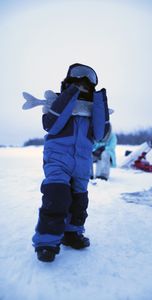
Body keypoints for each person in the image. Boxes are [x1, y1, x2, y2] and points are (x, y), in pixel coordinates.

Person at [32, 63, 111, 262]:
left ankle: (72, 233)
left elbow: (101, 134)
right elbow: (52, 125)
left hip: (82, 161)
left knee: (79, 201)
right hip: (58, 159)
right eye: (77, 83)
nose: (83, 87)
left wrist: (100, 100)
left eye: (87, 85)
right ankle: (47, 242)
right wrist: (71, 94)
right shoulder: (57, 103)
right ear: (68, 84)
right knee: (57, 197)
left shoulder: (94, 109)